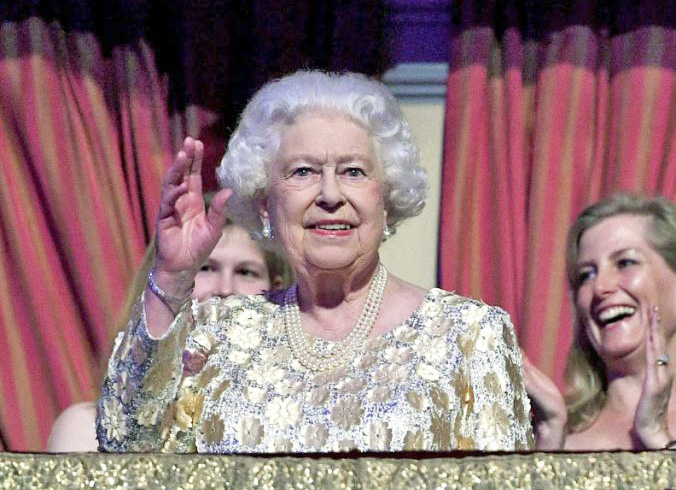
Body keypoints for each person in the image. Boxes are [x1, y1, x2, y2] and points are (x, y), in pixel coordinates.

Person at [97, 70, 533, 453]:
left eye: (354, 172)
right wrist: (173, 277)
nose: (329, 195)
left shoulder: (470, 335)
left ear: (387, 199)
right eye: (303, 172)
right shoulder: (214, 335)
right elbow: (125, 444)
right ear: (266, 204)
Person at [46, 221, 287, 452]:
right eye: (205, 267)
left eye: (246, 272)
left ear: (277, 290)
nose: (225, 289)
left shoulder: (289, 426)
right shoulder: (86, 430)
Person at [523, 194, 676, 450]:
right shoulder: (554, 433)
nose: (600, 287)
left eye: (625, 262)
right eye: (586, 275)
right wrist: (549, 443)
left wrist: (656, 436)